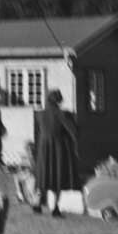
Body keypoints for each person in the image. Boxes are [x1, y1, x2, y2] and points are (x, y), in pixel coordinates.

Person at [33, 89, 81, 217]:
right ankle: (55, 208)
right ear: (58, 100)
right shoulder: (62, 114)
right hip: (59, 148)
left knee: (41, 179)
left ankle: (36, 204)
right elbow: (74, 131)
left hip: (44, 148)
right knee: (57, 179)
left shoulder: (39, 114)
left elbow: (39, 130)